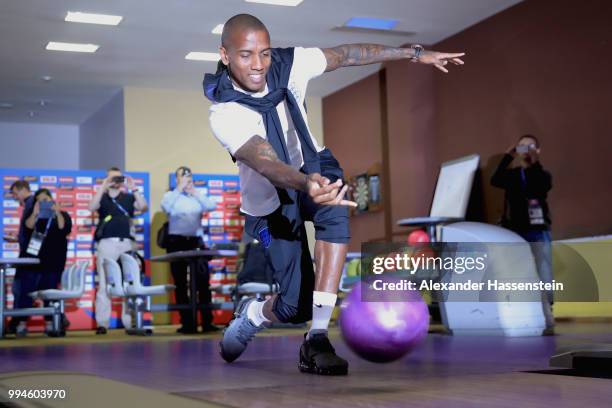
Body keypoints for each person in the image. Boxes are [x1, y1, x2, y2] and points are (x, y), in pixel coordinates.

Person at [204, 13, 465, 375]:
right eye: (246, 55)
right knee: (293, 306)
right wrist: (304, 183)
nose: (259, 64)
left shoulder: (290, 63)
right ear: (225, 54)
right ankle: (253, 313)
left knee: (335, 210)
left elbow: (348, 54)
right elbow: (265, 162)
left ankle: (317, 338)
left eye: (264, 53)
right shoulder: (224, 112)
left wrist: (413, 54)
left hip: (314, 164)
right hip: (270, 198)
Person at [491, 134, 555, 333]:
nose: (526, 151)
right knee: (520, 274)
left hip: (538, 230)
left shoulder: (542, 174)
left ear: (538, 150)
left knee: (544, 273)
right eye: (522, 147)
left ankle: (548, 313)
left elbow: (541, 187)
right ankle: (526, 313)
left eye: (531, 147)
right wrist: (508, 156)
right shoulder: (512, 175)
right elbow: (495, 179)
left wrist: (534, 162)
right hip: (516, 231)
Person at [89, 167, 148, 335]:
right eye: (112, 178)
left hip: (127, 244)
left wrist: (133, 187)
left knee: (129, 282)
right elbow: (91, 206)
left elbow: (143, 207)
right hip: (106, 243)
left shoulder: (129, 197)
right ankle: (102, 323)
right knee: (104, 284)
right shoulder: (103, 198)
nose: (115, 181)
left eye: (118, 178)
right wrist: (103, 186)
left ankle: (129, 322)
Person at [161, 166, 217, 334]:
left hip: (196, 241)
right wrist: (179, 189)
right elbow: (166, 207)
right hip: (177, 241)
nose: (187, 180)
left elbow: (211, 206)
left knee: (202, 282)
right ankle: (187, 323)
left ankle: (207, 322)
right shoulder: (170, 195)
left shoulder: (196, 195)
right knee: (180, 283)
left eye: (189, 177)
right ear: (176, 179)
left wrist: (196, 192)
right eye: (183, 177)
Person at [20, 188, 72, 336]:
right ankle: (21, 323)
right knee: (27, 292)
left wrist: (57, 212)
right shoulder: (35, 215)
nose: (44, 203)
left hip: (54, 260)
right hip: (34, 261)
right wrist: (35, 213)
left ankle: (50, 324)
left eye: (46, 199)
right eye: (40, 200)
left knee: (50, 293)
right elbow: (28, 226)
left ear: (52, 199)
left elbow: (64, 228)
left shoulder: (63, 215)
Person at [7, 180, 36, 336]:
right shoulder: (29, 204)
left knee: (22, 289)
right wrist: (18, 238)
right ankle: (16, 322)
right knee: (20, 289)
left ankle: (18, 323)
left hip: (29, 256)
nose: (15, 198)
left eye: (15, 194)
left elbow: (36, 230)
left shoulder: (32, 204)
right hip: (27, 254)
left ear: (22, 189)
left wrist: (31, 253)